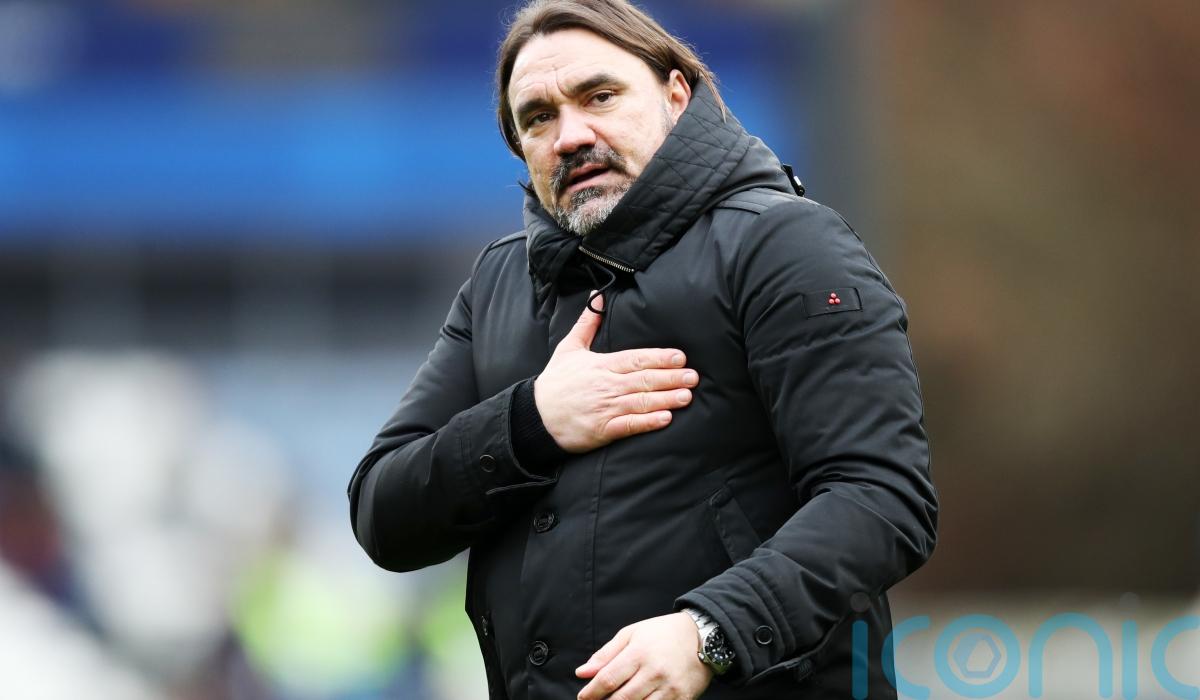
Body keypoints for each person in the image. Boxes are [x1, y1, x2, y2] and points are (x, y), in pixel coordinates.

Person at [347, 1, 938, 698]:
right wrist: (531, 423)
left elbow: (882, 498)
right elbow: (382, 512)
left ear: (675, 95)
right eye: (538, 118)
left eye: (599, 96)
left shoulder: (784, 245)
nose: (571, 135)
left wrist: (712, 633)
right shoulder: (497, 284)